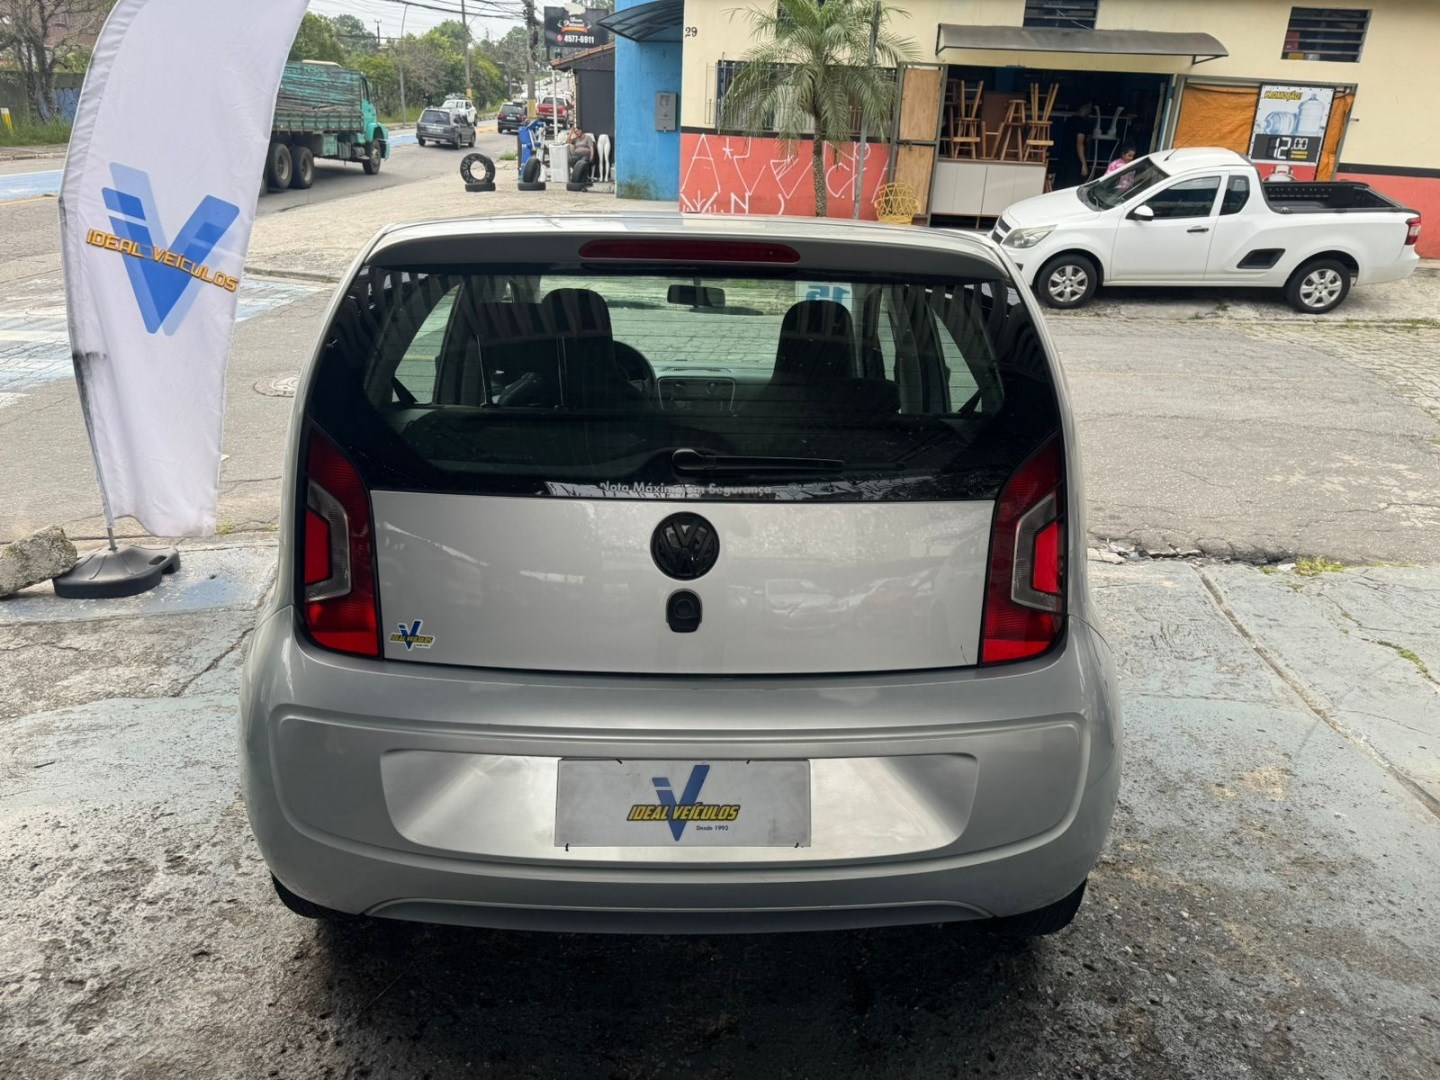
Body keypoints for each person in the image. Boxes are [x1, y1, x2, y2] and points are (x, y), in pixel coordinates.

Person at [1053, 102, 1093, 189]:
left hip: (1064, 158)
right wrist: (1084, 164)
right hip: (1074, 161)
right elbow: (1079, 143)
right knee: (1073, 186)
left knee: (1061, 185)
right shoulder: (1081, 123)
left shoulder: (1069, 120)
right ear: (1086, 108)